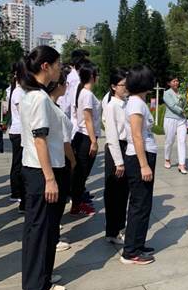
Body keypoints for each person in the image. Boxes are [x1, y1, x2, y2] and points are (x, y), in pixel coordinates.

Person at [18, 46, 66, 290]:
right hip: (41, 171)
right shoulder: (37, 97)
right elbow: (39, 139)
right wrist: (50, 179)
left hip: (38, 168)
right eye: (58, 64)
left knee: (41, 227)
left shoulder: (34, 94)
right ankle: (37, 284)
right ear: (45, 66)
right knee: (39, 228)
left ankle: (42, 275)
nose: (60, 69)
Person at [122, 65, 158, 265]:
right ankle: (131, 251)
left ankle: (138, 243)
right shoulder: (136, 103)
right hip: (138, 159)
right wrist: (144, 165)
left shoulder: (138, 102)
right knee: (139, 204)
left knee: (144, 204)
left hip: (143, 156)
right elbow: (136, 136)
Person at [47, 67, 76, 252]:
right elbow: (65, 142)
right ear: (58, 86)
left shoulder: (51, 106)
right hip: (59, 161)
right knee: (56, 205)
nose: (66, 86)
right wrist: (73, 160)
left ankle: (53, 236)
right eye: (65, 84)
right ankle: (53, 239)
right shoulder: (54, 110)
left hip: (56, 159)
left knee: (56, 206)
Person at [102, 68, 129, 244]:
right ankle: (113, 231)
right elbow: (111, 136)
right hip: (116, 150)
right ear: (113, 86)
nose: (126, 88)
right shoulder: (111, 106)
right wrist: (119, 162)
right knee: (114, 193)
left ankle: (120, 227)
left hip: (125, 147)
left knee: (123, 192)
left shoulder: (125, 103)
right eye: (123, 85)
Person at [70, 64, 100, 216]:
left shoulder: (83, 92)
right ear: (92, 77)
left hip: (84, 136)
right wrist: (93, 141)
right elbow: (88, 118)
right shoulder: (87, 94)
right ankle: (77, 205)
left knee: (80, 175)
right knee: (81, 174)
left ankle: (77, 203)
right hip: (86, 137)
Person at [8, 62, 25, 207]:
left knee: (18, 163)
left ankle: (17, 192)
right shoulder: (18, 92)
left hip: (18, 130)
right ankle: (16, 192)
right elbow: (22, 113)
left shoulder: (18, 90)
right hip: (19, 131)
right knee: (18, 164)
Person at [163, 75, 188, 174]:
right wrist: (183, 111)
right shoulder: (166, 93)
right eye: (173, 81)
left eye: (177, 81)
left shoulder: (182, 93)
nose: (176, 83)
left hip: (182, 120)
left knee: (182, 141)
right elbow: (172, 106)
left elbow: (186, 103)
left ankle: (182, 164)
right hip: (170, 119)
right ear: (169, 83)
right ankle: (167, 158)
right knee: (169, 141)